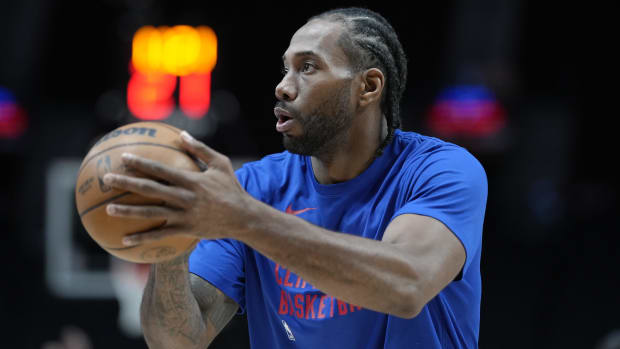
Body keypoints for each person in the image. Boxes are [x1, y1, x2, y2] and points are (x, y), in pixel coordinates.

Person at [102, 7, 487, 349]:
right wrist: (171, 244)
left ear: (367, 87)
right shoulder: (255, 187)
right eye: (285, 68)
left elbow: (407, 285)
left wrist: (246, 219)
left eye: (307, 67)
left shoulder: (441, 171)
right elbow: (177, 342)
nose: (283, 86)